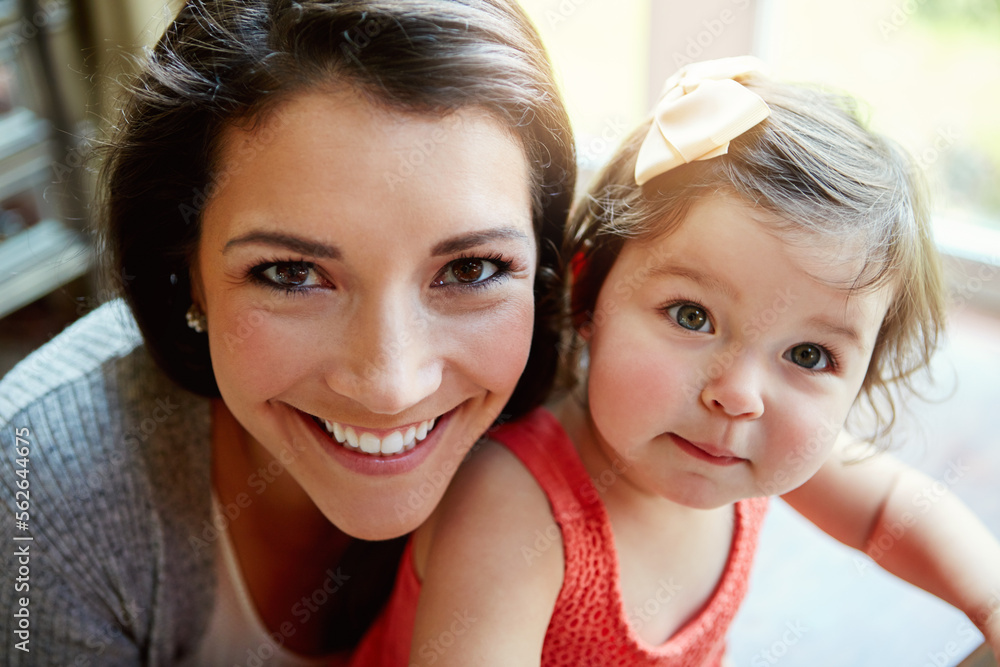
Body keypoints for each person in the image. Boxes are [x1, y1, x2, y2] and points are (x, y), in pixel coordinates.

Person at [351, 57, 1000, 666]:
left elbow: (890, 507)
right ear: (588, 293)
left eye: (809, 354)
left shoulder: (742, 445)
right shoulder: (516, 508)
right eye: (692, 315)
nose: (740, 393)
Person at [0, 0, 576, 664]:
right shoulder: (40, 494)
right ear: (182, 268)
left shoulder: (612, 409)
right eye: (293, 273)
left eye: (471, 268)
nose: (389, 385)